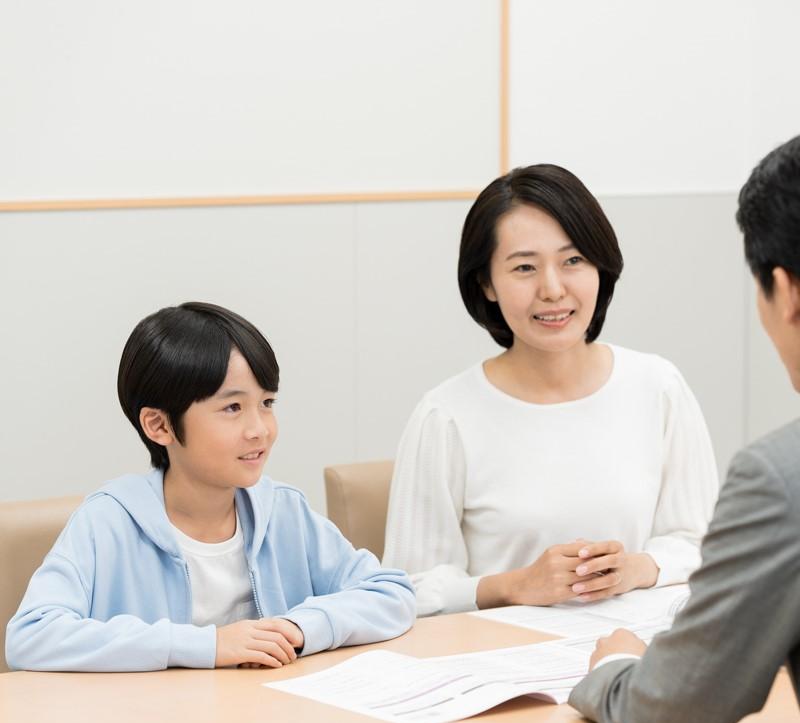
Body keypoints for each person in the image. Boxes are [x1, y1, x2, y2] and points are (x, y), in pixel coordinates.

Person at [382, 164, 719, 617]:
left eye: (573, 260)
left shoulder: (658, 386)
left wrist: (637, 568)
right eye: (524, 267)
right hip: (505, 668)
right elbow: (411, 587)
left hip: (639, 658)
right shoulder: (445, 416)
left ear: (601, 266)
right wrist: (517, 585)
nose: (553, 289)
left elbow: (702, 544)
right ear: (486, 284)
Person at [6, 302, 415, 671]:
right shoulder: (108, 521)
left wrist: (297, 627)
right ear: (159, 425)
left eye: (267, 403)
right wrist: (208, 645)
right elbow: (31, 636)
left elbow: (391, 593)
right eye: (232, 408)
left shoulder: (283, 511)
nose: (260, 430)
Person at [568, 134, 800, 723]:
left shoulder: (780, 477)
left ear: (787, 293)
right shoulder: (446, 414)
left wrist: (613, 668)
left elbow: (663, 712)